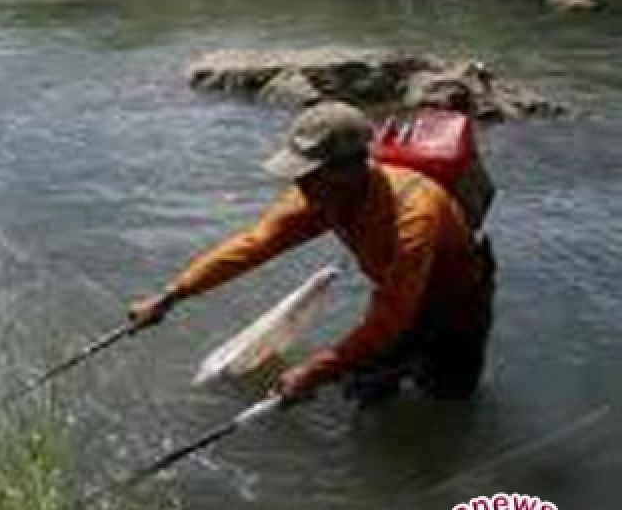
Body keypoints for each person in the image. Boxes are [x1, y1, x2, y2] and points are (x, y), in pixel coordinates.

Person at [128, 101, 495, 404]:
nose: (298, 182)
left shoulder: (414, 213)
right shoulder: (320, 195)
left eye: (308, 173)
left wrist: (316, 369)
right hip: (394, 292)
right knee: (365, 392)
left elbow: (394, 314)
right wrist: (172, 294)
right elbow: (253, 246)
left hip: (455, 301)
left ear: (350, 168)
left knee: (446, 398)